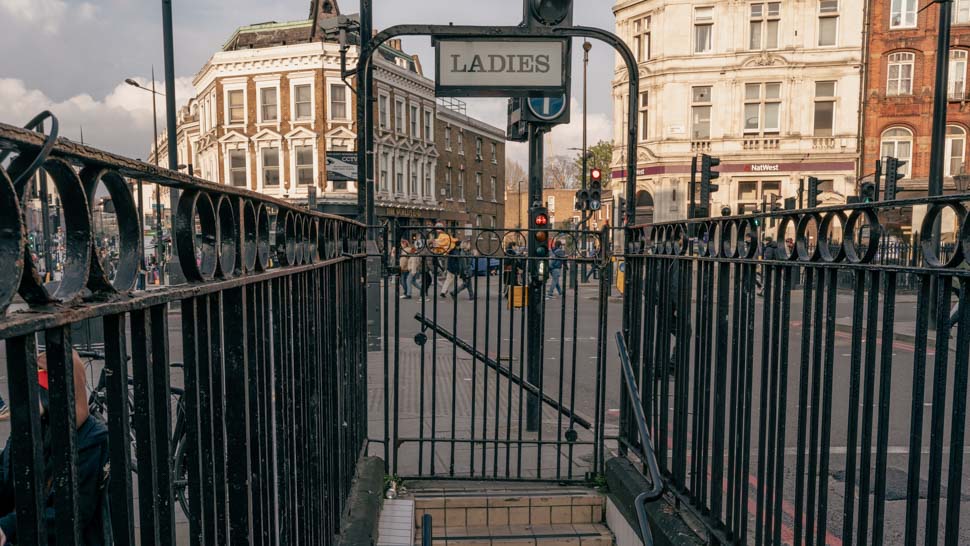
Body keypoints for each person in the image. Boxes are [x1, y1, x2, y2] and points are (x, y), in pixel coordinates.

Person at [0, 349, 109, 545]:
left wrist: (10, 525)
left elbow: (73, 513)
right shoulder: (35, 427)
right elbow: (6, 475)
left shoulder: (91, 438)